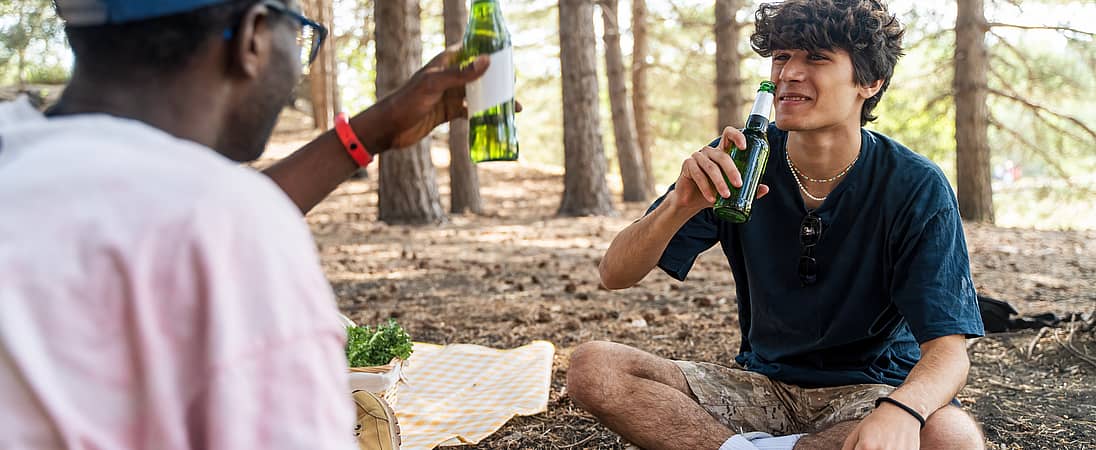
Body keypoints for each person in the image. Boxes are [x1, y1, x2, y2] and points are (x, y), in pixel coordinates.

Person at [0, 0, 492, 448]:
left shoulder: (15, 152)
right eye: (299, 35)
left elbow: (146, 213)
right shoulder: (229, 228)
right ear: (253, 37)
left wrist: (374, 130)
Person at [566, 1, 986, 449]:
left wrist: (902, 411)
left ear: (870, 81)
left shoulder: (914, 185)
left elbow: (948, 351)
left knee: (951, 436)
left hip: (868, 393)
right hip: (763, 389)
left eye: (816, 58)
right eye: (782, 56)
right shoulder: (741, 161)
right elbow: (614, 273)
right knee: (596, 368)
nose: (788, 73)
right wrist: (678, 206)